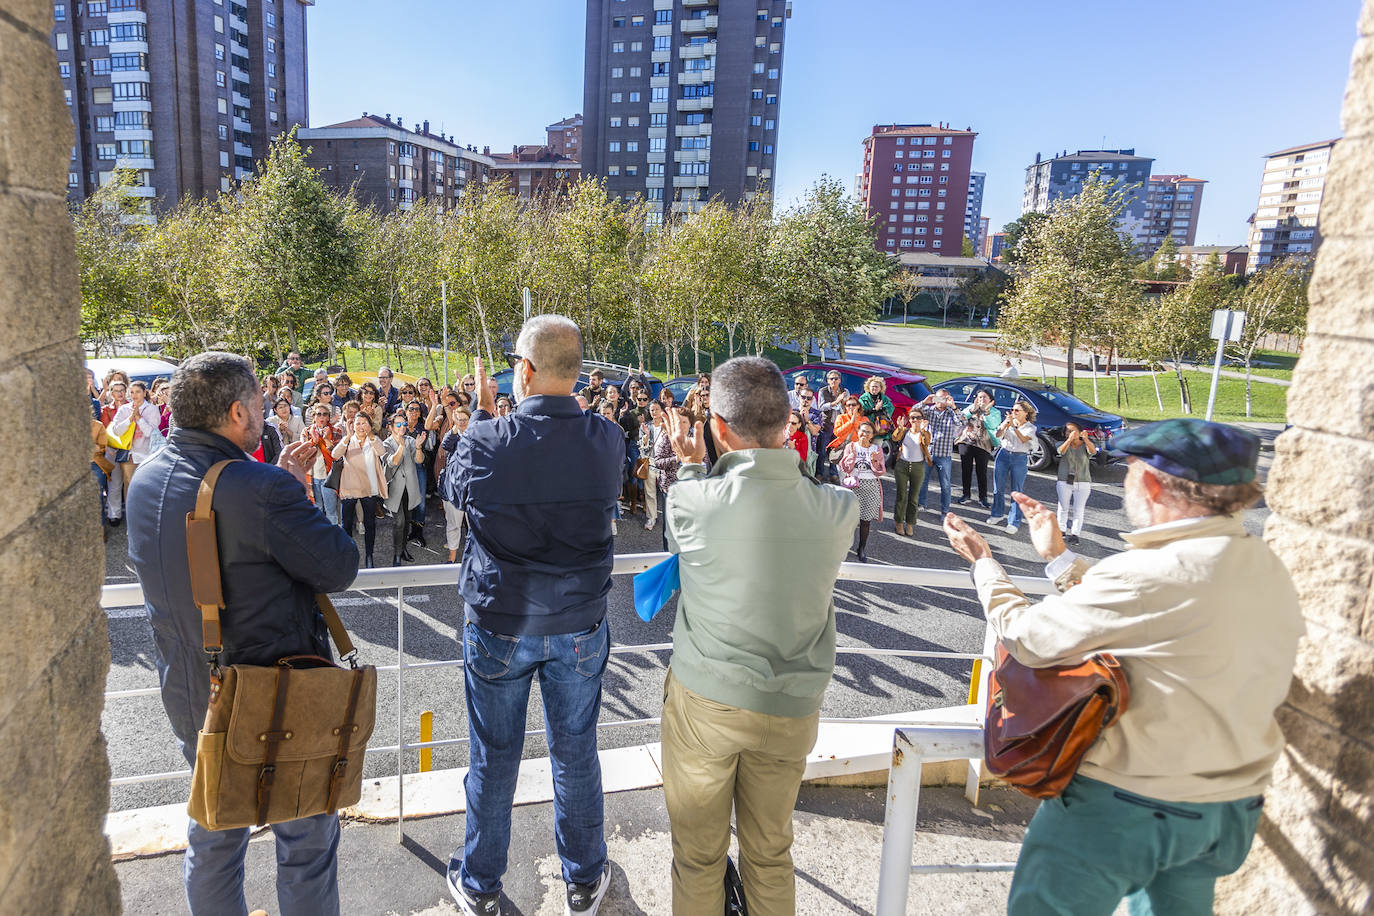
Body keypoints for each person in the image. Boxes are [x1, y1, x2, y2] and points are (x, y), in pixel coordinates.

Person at [941, 418, 1302, 916]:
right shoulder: (1264, 562)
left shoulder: (1150, 571)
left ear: (1152, 483)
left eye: (1131, 470)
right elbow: (1154, 617)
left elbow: (1027, 640)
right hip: (1227, 811)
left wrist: (983, 562)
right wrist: (1059, 558)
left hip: (1126, 809)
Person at [126, 351, 359, 916]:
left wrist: (280, 487)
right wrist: (296, 491)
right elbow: (338, 566)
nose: (265, 410)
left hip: (192, 693)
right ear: (237, 412)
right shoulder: (259, 488)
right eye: (258, 401)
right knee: (305, 843)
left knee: (214, 837)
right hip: (272, 702)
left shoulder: (145, 480)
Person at [661, 356, 857, 916]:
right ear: (790, 421)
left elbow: (682, 542)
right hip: (793, 707)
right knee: (770, 854)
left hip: (707, 704)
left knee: (699, 858)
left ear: (717, 427)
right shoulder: (837, 508)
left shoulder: (693, 496)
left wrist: (694, 467)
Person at [441, 317, 623, 916]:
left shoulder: (488, 439)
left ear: (523, 370)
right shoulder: (607, 439)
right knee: (575, 753)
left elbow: (454, 489)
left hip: (500, 625)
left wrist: (480, 417)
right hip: (578, 625)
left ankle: (482, 884)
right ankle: (583, 877)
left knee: (493, 758)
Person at [333, 413, 388, 568]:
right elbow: (335, 455)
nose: (361, 426)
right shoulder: (348, 440)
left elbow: (382, 452)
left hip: (369, 488)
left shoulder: (374, 440)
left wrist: (371, 436)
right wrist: (347, 435)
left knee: (370, 524)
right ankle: (347, 556)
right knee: (346, 525)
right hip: (349, 488)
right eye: (358, 423)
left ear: (369, 426)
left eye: (364, 423)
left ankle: (369, 555)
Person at [839, 420, 885, 562]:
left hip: (871, 486)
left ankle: (862, 548)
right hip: (853, 485)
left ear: (872, 435)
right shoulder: (850, 446)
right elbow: (844, 468)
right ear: (858, 432)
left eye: (868, 432)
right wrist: (852, 456)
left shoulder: (877, 449)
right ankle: (843, 547)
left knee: (865, 521)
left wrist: (874, 461)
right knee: (849, 520)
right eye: (862, 431)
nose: (864, 434)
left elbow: (880, 472)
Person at [989, 399, 1038, 533]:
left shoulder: (1030, 428)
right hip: (1003, 455)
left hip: (1019, 457)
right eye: (1013, 410)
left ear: (1026, 413)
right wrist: (1005, 424)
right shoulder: (1008, 422)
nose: (1013, 412)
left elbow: (1023, 439)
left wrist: (1014, 427)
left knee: (1016, 491)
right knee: (998, 487)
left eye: (1017, 410)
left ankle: (1014, 521)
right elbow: (998, 435)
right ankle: (997, 514)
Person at [383, 414, 424, 567]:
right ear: (391, 426)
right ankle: (397, 554)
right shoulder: (386, 443)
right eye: (398, 424)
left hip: (410, 487)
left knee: (407, 520)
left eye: (404, 424)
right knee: (398, 521)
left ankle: (404, 549)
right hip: (394, 488)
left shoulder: (411, 441)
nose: (402, 427)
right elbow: (392, 462)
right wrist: (400, 446)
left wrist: (419, 446)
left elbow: (419, 460)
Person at [111, 380, 162, 503]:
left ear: (145, 393)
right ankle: (130, 517)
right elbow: (116, 431)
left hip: (147, 454)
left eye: (138, 392)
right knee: (129, 486)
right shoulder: (124, 409)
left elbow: (150, 433)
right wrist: (130, 418)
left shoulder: (152, 409)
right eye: (132, 392)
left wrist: (139, 418)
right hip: (129, 455)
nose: (135, 395)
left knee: (147, 487)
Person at [916, 390, 961, 518]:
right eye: (939, 398)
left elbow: (962, 422)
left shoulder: (951, 413)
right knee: (923, 480)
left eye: (945, 399)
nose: (942, 402)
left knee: (945, 485)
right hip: (928, 453)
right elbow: (913, 412)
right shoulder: (929, 411)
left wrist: (954, 407)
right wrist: (925, 402)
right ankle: (921, 503)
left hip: (944, 455)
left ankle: (945, 511)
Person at [437, 407, 471, 563]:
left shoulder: (476, 435)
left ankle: (474, 555)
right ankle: (452, 557)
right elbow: (445, 445)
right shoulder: (453, 436)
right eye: (460, 419)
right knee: (453, 524)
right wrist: (455, 427)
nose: (463, 422)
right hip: (453, 487)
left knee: (474, 527)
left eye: (465, 419)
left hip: (472, 488)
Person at [956, 388, 1000, 508]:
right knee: (966, 470)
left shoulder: (995, 412)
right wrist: (973, 410)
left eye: (984, 397)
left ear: (991, 400)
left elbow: (992, 425)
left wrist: (986, 412)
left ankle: (983, 497)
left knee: (982, 471)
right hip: (966, 442)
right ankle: (966, 494)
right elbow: (960, 418)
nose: (981, 399)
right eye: (979, 397)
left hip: (983, 444)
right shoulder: (971, 408)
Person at [1055, 421, 1097, 545]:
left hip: (1083, 482)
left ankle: (1075, 534)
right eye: (1068, 431)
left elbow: (1093, 451)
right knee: (1063, 507)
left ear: (1080, 432)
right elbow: (1060, 451)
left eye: (1073, 431)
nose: (1071, 433)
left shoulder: (1085, 445)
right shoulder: (1062, 444)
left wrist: (1086, 439)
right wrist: (1069, 440)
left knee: (1079, 509)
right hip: (1064, 480)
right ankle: (1061, 530)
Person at [890, 409, 929, 536]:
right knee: (901, 496)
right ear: (909, 420)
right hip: (902, 465)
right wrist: (900, 427)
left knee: (913, 497)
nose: (915, 420)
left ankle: (910, 523)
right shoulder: (905, 431)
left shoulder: (925, 433)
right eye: (912, 418)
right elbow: (895, 438)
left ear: (922, 419)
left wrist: (923, 430)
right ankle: (899, 522)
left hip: (918, 466)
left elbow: (926, 442)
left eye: (918, 418)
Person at [303, 404, 342, 526]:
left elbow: (337, 455)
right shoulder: (307, 432)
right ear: (313, 416)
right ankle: (318, 537)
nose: (321, 417)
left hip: (328, 476)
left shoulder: (336, 431)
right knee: (317, 508)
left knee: (331, 510)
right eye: (318, 414)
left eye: (325, 414)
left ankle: (334, 538)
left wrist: (326, 439)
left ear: (328, 417)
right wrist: (314, 441)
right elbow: (304, 453)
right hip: (312, 475)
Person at [815, 371, 846, 483]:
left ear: (840, 380)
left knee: (836, 452)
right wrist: (835, 402)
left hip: (839, 427)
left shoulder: (844, 391)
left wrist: (841, 403)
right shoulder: (823, 391)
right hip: (826, 425)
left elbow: (846, 408)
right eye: (831, 378)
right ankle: (819, 473)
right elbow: (821, 407)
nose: (834, 380)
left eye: (836, 378)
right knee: (822, 452)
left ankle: (833, 474)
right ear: (827, 380)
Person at [641, 399, 667, 530]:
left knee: (667, 492)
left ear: (662, 410)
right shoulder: (646, 426)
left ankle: (670, 517)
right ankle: (651, 517)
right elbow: (642, 448)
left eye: (657, 409)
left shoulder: (668, 425)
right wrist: (645, 436)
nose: (654, 412)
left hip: (665, 464)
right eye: (652, 410)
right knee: (650, 492)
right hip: (650, 462)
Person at [857, 376, 894, 456]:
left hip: (880, 431)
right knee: (864, 450)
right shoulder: (863, 399)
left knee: (875, 452)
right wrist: (875, 409)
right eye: (872, 386)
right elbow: (861, 412)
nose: (874, 388)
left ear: (881, 388)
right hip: (866, 429)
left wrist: (881, 409)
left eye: (877, 386)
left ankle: (874, 467)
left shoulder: (885, 399)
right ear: (868, 387)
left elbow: (890, 409)